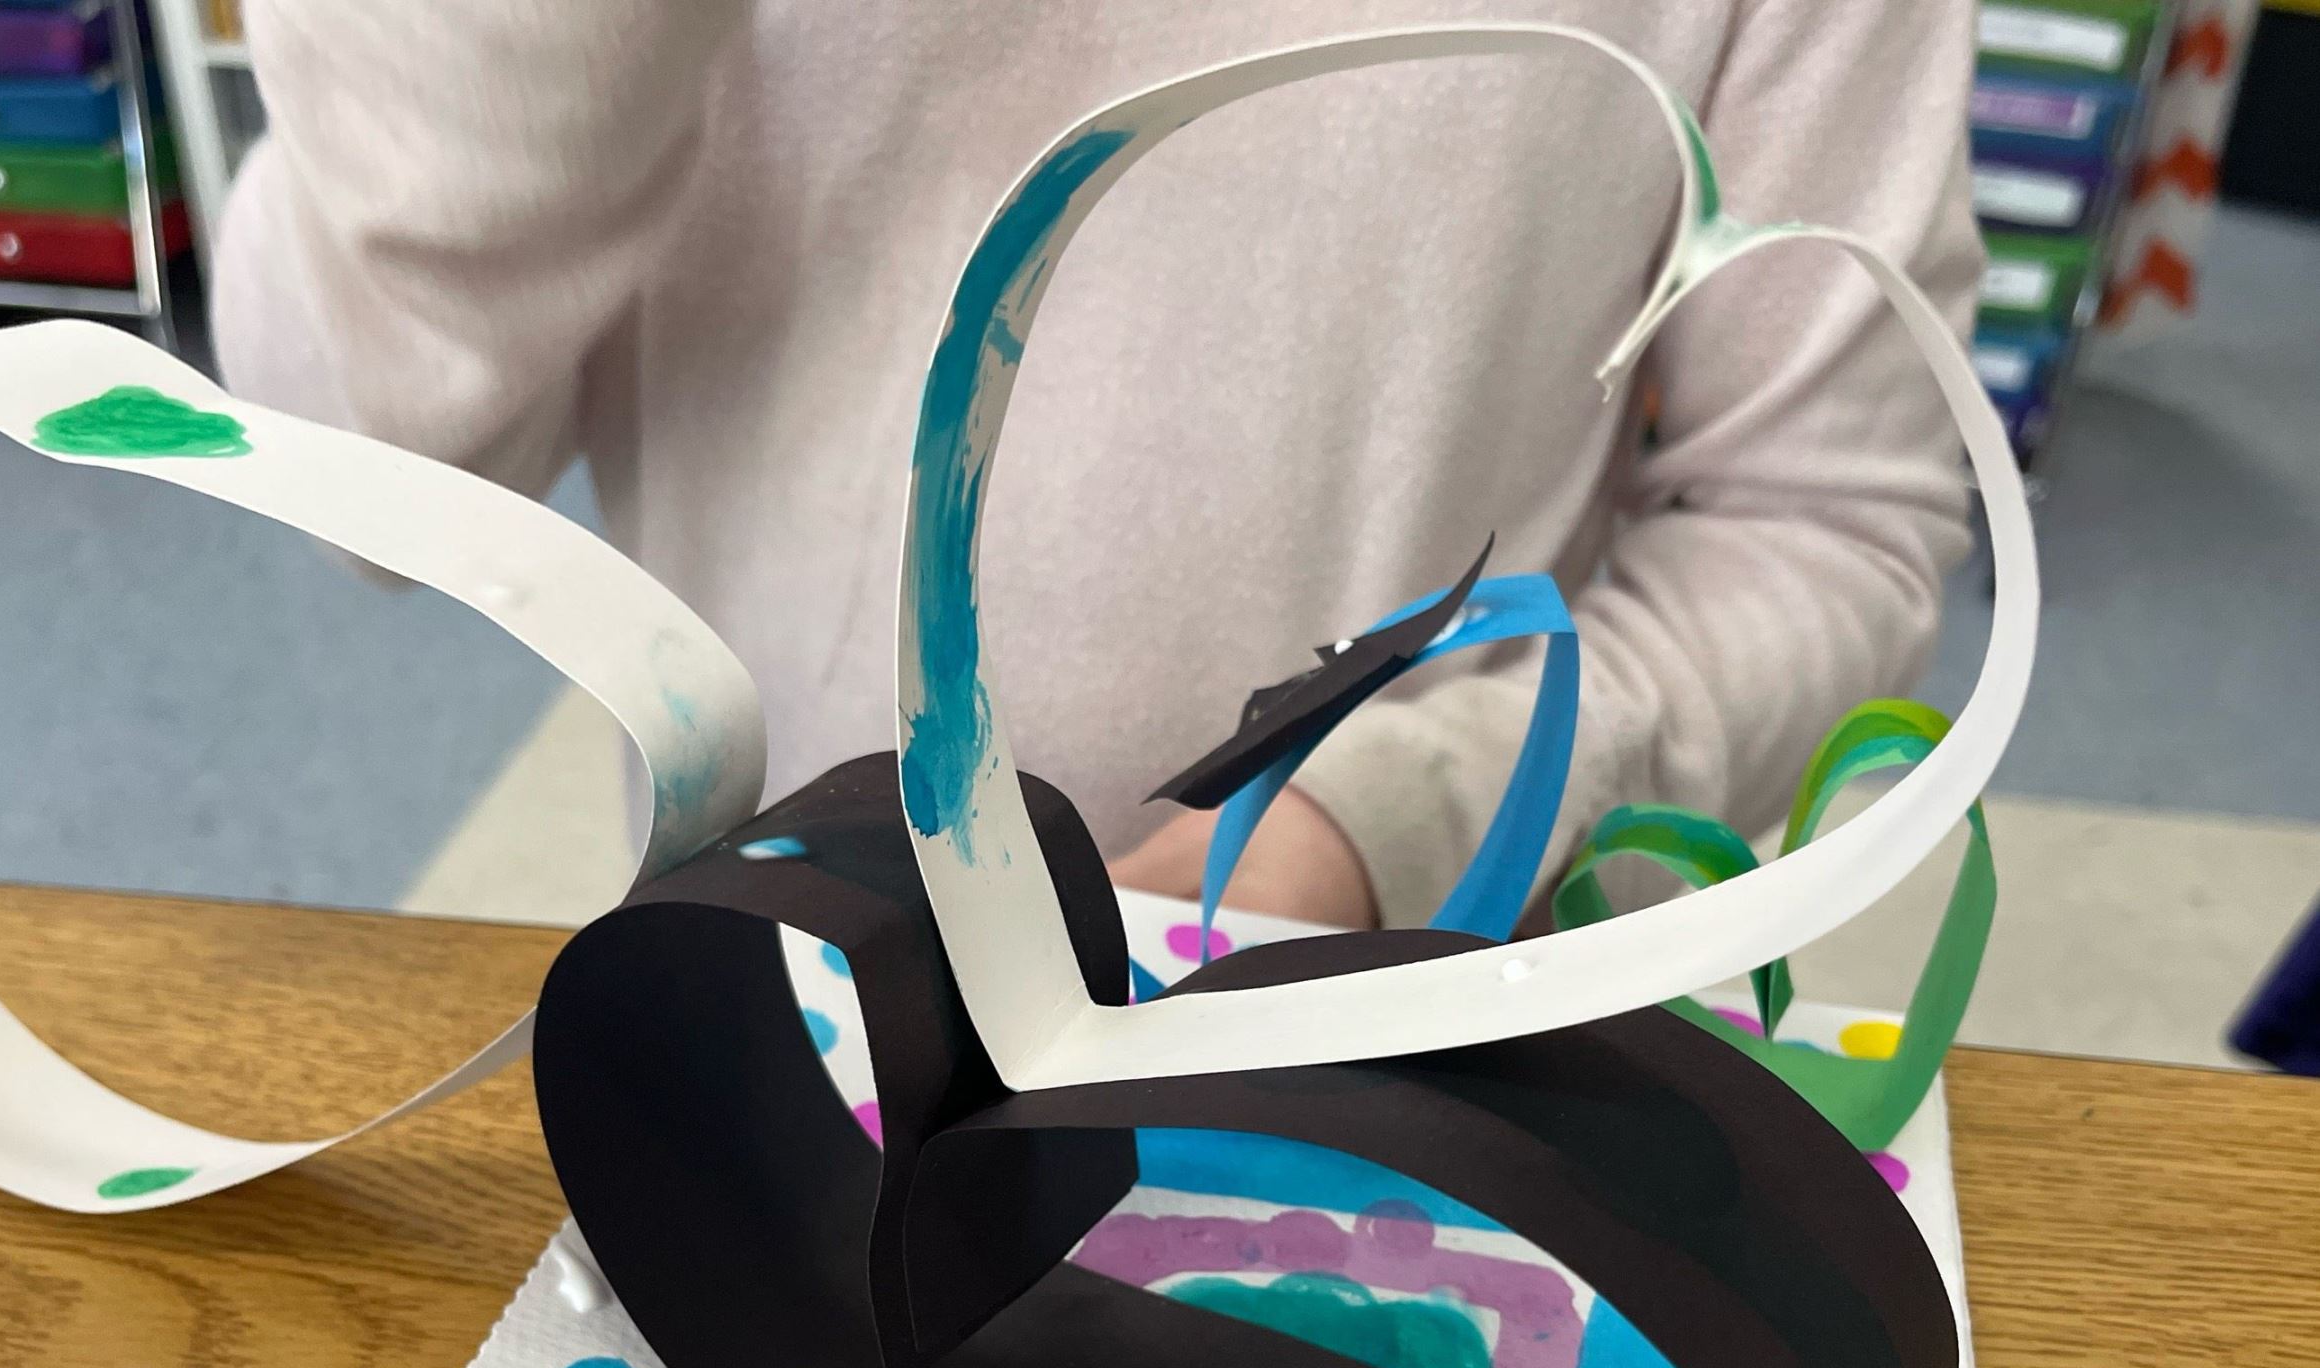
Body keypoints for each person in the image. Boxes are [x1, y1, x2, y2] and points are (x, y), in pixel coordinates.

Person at [212, 1, 1981, 931]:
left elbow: (1829, 518)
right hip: (778, 1039)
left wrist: (1409, 821)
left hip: (1397, 1038)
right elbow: (359, 462)